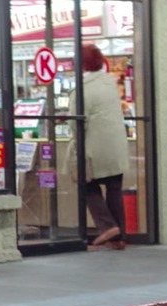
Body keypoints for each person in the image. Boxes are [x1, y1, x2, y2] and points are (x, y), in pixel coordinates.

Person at [64, 44, 129, 250]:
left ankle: (107, 226)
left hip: (94, 147)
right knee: (114, 189)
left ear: (81, 65)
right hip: (116, 147)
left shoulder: (81, 90)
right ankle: (118, 237)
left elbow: (75, 122)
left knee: (86, 184)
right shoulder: (110, 84)